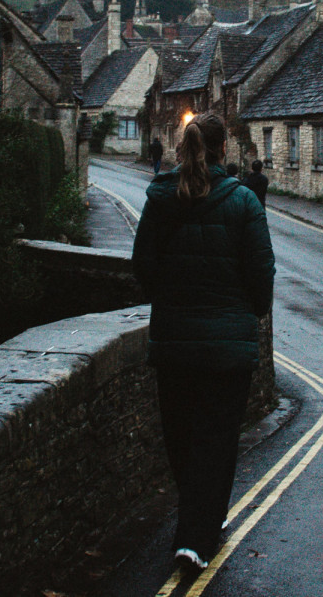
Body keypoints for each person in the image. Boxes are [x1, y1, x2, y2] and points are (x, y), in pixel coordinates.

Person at [132, 112, 275, 573]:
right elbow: (262, 276)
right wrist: (248, 313)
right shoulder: (245, 203)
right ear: (223, 151)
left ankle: (197, 526)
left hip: (174, 344)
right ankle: (195, 536)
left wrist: (167, 302)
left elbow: (143, 268)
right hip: (227, 351)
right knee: (216, 441)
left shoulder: (160, 199)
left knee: (181, 438)